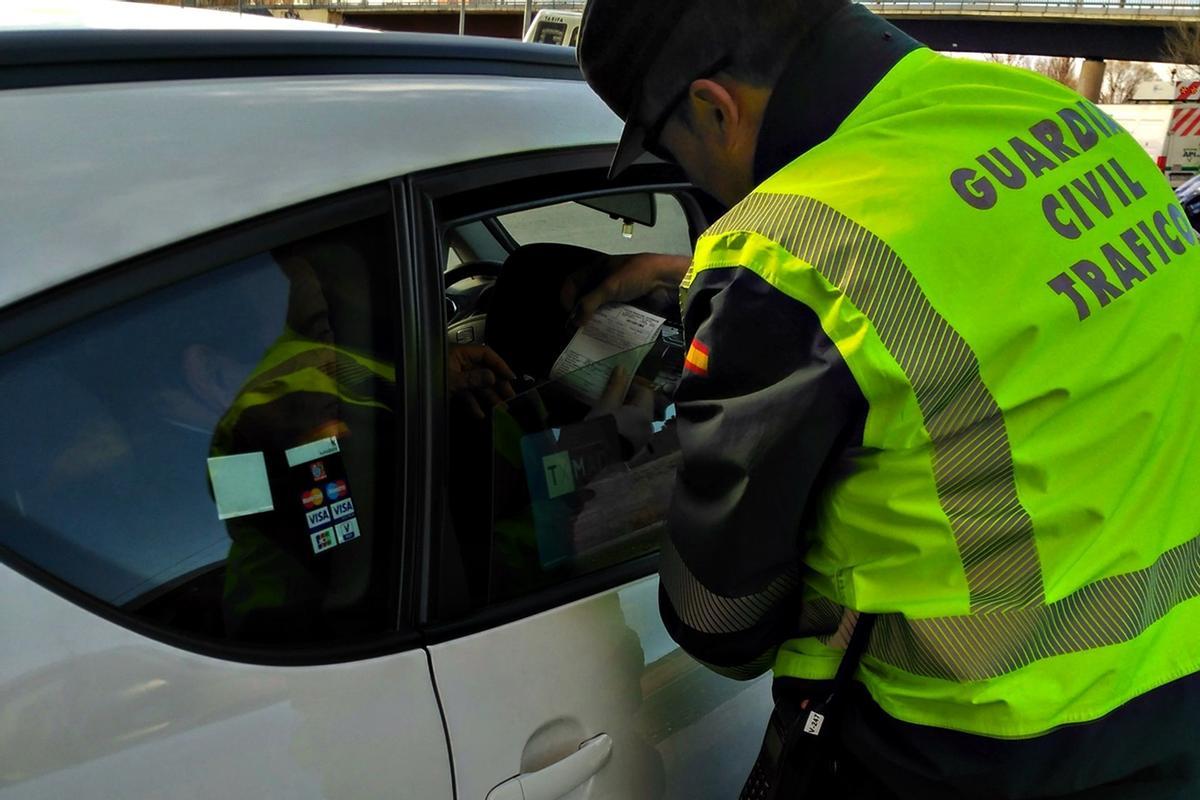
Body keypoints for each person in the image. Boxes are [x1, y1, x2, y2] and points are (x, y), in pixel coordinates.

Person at [572, 1, 1200, 797]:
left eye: (672, 153)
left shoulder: (787, 254)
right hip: (1172, 701)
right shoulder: (1059, 121)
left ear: (713, 107)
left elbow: (719, 624)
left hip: (960, 749)